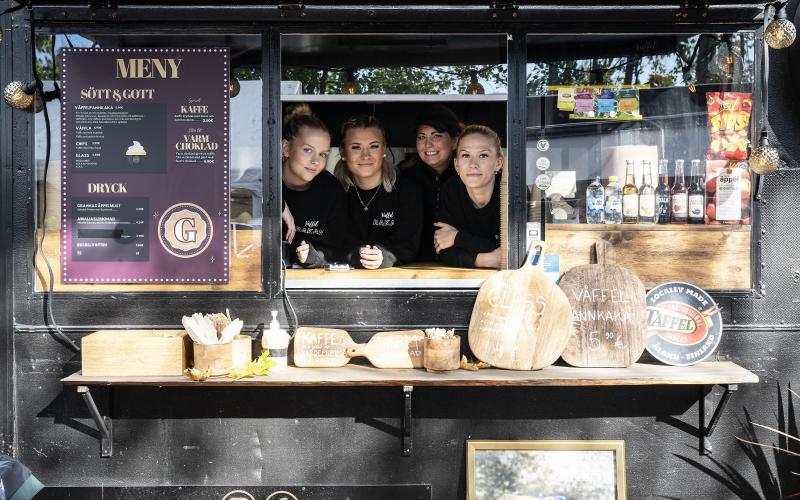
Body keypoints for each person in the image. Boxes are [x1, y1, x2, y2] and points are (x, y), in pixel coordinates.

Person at [335, 115, 423, 269]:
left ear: (384, 149)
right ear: (343, 152)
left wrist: (385, 256)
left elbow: (408, 245)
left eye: (373, 146)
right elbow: (334, 243)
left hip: (396, 283)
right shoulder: (334, 192)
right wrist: (357, 256)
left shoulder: (407, 190)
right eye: (356, 147)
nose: (365, 155)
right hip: (345, 281)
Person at [281, 104, 347, 268]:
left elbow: (336, 249)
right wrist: (279, 204)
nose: (316, 161)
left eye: (323, 154)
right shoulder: (264, 179)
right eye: (308, 150)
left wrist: (313, 255)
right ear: (286, 148)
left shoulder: (331, 190)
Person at [434, 124, 503, 269]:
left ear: (498, 163)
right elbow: (443, 249)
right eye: (465, 155)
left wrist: (457, 238)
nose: (473, 164)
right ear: (457, 164)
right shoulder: (451, 190)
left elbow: (510, 249)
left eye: (483, 155)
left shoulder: (510, 191)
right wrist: (483, 260)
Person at [400, 105, 463, 262]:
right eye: (421, 137)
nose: (428, 144)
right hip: (412, 266)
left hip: (462, 264)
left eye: (436, 136)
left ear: (455, 141)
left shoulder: (469, 176)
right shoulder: (404, 177)